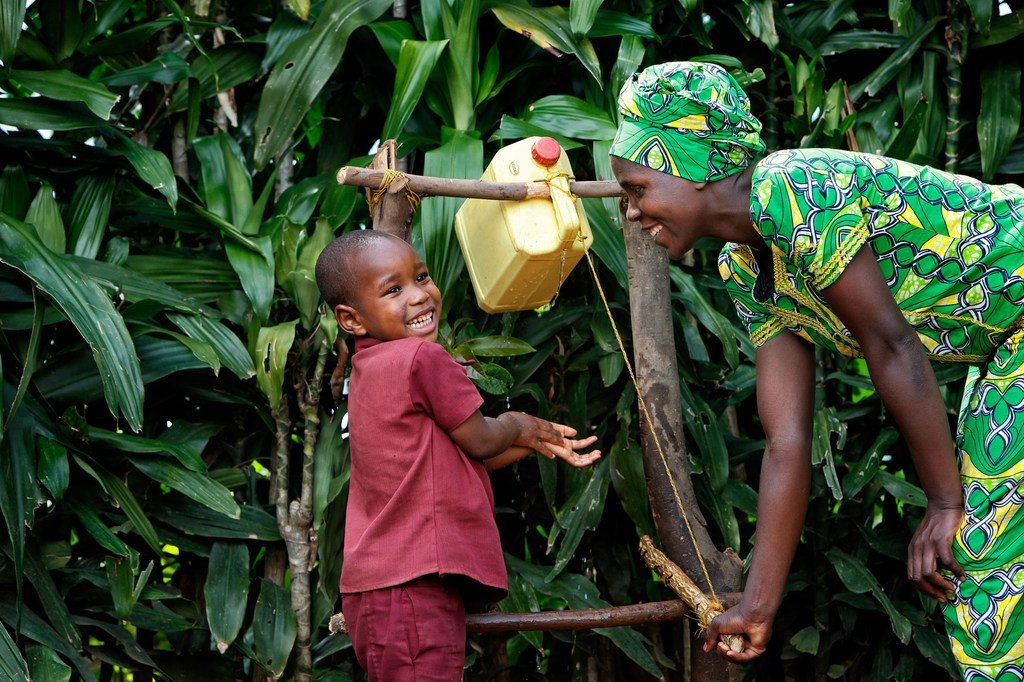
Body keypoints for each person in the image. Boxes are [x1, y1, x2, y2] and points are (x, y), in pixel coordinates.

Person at [610, 60, 1024, 679]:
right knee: (986, 567)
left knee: (978, 552)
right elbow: (786, 441)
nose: (633, 212)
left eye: (638, 188)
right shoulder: (747, 270)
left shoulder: (794, 187)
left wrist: (943, 502)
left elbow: (891, 346)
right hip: (1002, 346)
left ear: (689, 166)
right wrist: (757, 606)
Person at [314, 230, 601, 681]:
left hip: (386, 588)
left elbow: (460, 459)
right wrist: (520, 424)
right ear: (350, 319)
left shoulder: (370, 369)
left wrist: (532, 443)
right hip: (412, 586)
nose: (419, 296)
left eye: (422, 277)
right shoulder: (419, 360)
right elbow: (484, 441)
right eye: (393, 290)